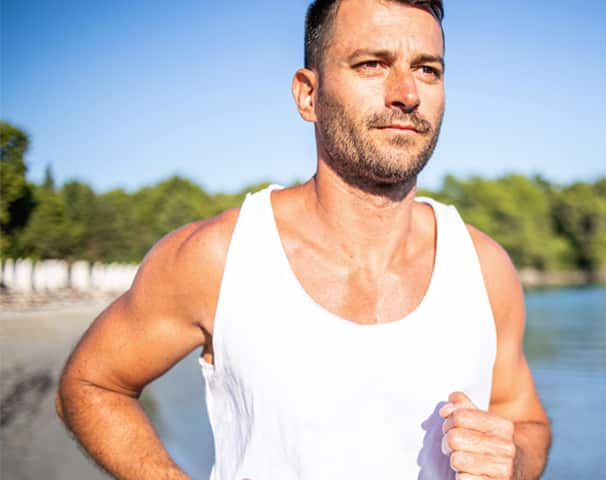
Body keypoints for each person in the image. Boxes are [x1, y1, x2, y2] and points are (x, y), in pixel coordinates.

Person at [54, 0, 552, 478]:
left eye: (428, 69)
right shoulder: (222, 258)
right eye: (372, 64)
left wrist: (513, 462)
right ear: (307, 95)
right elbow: (90, 384)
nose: (407, 93)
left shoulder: (482, 268)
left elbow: (525, 422)